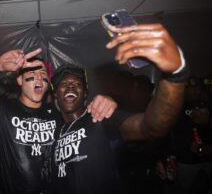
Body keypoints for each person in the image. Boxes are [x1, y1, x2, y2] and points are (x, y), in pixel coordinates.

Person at [0, 49, 116, 194]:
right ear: (19, 79)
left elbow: (81, 114)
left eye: (43, 74)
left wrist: (109, 100)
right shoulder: (0, 108)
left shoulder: (55, 115)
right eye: (32, 73)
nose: (39, 78)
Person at [49, 23, 188, 194]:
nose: (70, 87)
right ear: (55, 94)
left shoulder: (100, 117)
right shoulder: (51, 129)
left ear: (85, 93)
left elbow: (151, 127)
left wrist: (175, 75)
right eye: (63, 84)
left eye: (76, 84)